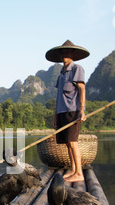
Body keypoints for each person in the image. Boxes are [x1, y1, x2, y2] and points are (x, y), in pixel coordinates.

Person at [45, 40, 89, 182]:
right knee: (68, 143)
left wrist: (82, 110)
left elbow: (82, 89)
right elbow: (58, 97)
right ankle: (73, 170)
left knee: (73, 141)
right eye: (62, 52)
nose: (65, 54)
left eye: (68, 52)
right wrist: (55, 116)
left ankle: (79, 173)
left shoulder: (77, 69)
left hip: (73, 111)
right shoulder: (61, 74)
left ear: (73, 54)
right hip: (62, 112)